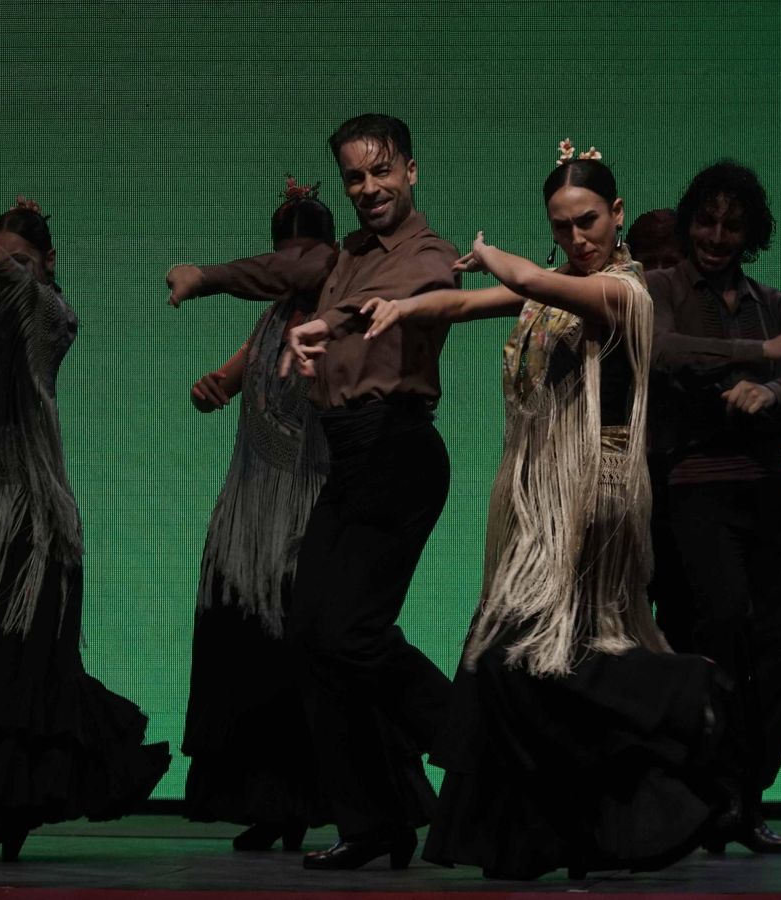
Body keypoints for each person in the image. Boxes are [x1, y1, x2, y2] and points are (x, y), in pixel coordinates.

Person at [290, 140, 733, 880]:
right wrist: (382, 309)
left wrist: (497, 256)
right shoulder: (560, 278)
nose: (576, 239)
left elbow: (528, 282)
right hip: (537, 501)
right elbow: (459, 303)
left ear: (617, 214)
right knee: (535, 667)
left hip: (590, 501)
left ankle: (683, 689)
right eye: (561, 227)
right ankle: (564, 832)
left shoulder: (626, 291)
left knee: (517, 660)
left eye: (588, 221)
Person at [177, 114, 458, 871]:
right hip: (352, 458)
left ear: (410, 170)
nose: (368, 188)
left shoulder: (425, 252)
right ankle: (374, 823)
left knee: (352, 635)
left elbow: (388, 302)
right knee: (310, 639)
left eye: (381, 172)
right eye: (355, 178)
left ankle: (475, 744)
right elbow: (286, 273)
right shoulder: (345, 255)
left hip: (399, 450)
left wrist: (324, 326)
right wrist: (209, 279)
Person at [0, 199, 170, 861]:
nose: (4, 272)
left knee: (18, 674)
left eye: (22, 261)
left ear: (47, 264)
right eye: (2, 260)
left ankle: (2, 814)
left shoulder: (48, 311)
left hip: (31, 528)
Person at [645, 161, 781, 854]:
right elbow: (663, 350)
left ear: (751, 232)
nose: (717, 235)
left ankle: (741, 797)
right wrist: (757, 356)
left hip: (766, 482)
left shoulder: (772, 299)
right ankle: (701, 795)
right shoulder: (661, 287)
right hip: (696, 484)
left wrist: (775, 393)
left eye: (732, 225)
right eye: (706, 220)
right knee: (722, 631)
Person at [165, 178, 340, 852]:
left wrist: (206, 275)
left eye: (300, 251)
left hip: (302, 509)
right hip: (248, 511)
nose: (290, 264)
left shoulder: (335, 303)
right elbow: (234, 377)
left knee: (293, 656)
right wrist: (213, 388)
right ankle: (266, 801)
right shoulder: (271, 318)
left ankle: (308, 798)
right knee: (244, 652)